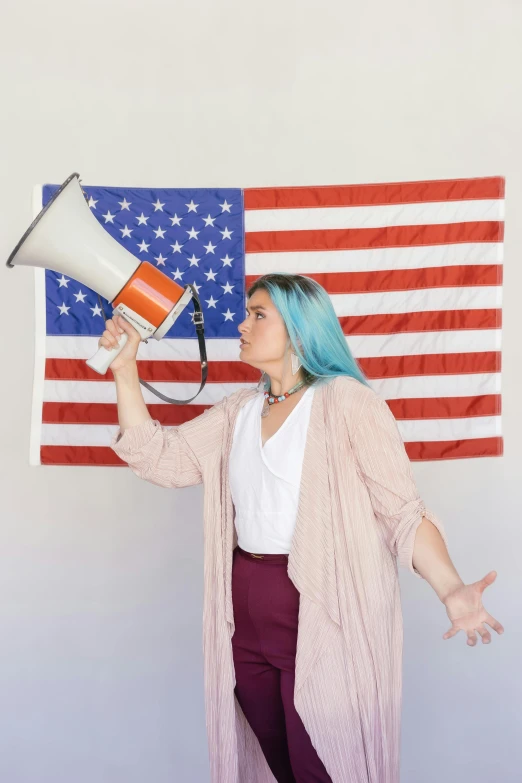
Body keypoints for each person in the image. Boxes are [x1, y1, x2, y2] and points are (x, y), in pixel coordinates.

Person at [104, 273, 504, 783]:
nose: (242, 325)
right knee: (281, 767)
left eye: (258, 314)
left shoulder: (347, 403)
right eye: (248, 313)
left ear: (298, 328)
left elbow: (402, 512)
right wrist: (124, 371)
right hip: (245, 604)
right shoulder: (237, 413)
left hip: (321, 608)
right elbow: (163, 461)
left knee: (325, 764)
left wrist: (451, 589)